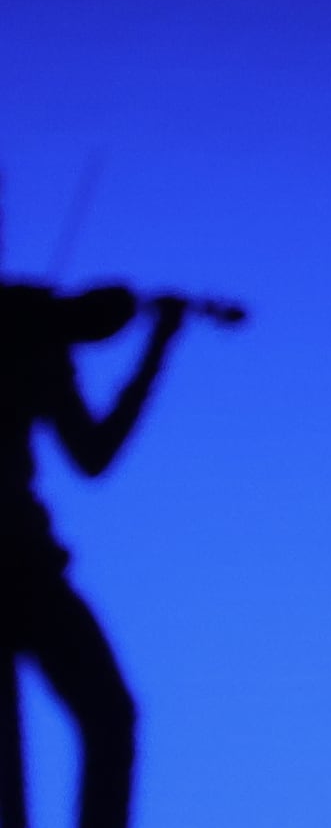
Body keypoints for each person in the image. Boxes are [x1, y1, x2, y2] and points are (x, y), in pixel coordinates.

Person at [1, 226, 198, 828]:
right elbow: (94, 454)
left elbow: (91, 456)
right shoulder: (29, 316)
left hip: (25, 560)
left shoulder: (31, 318)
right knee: (105, 720)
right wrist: (155, 345)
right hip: (20, 560)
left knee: (108, 717)